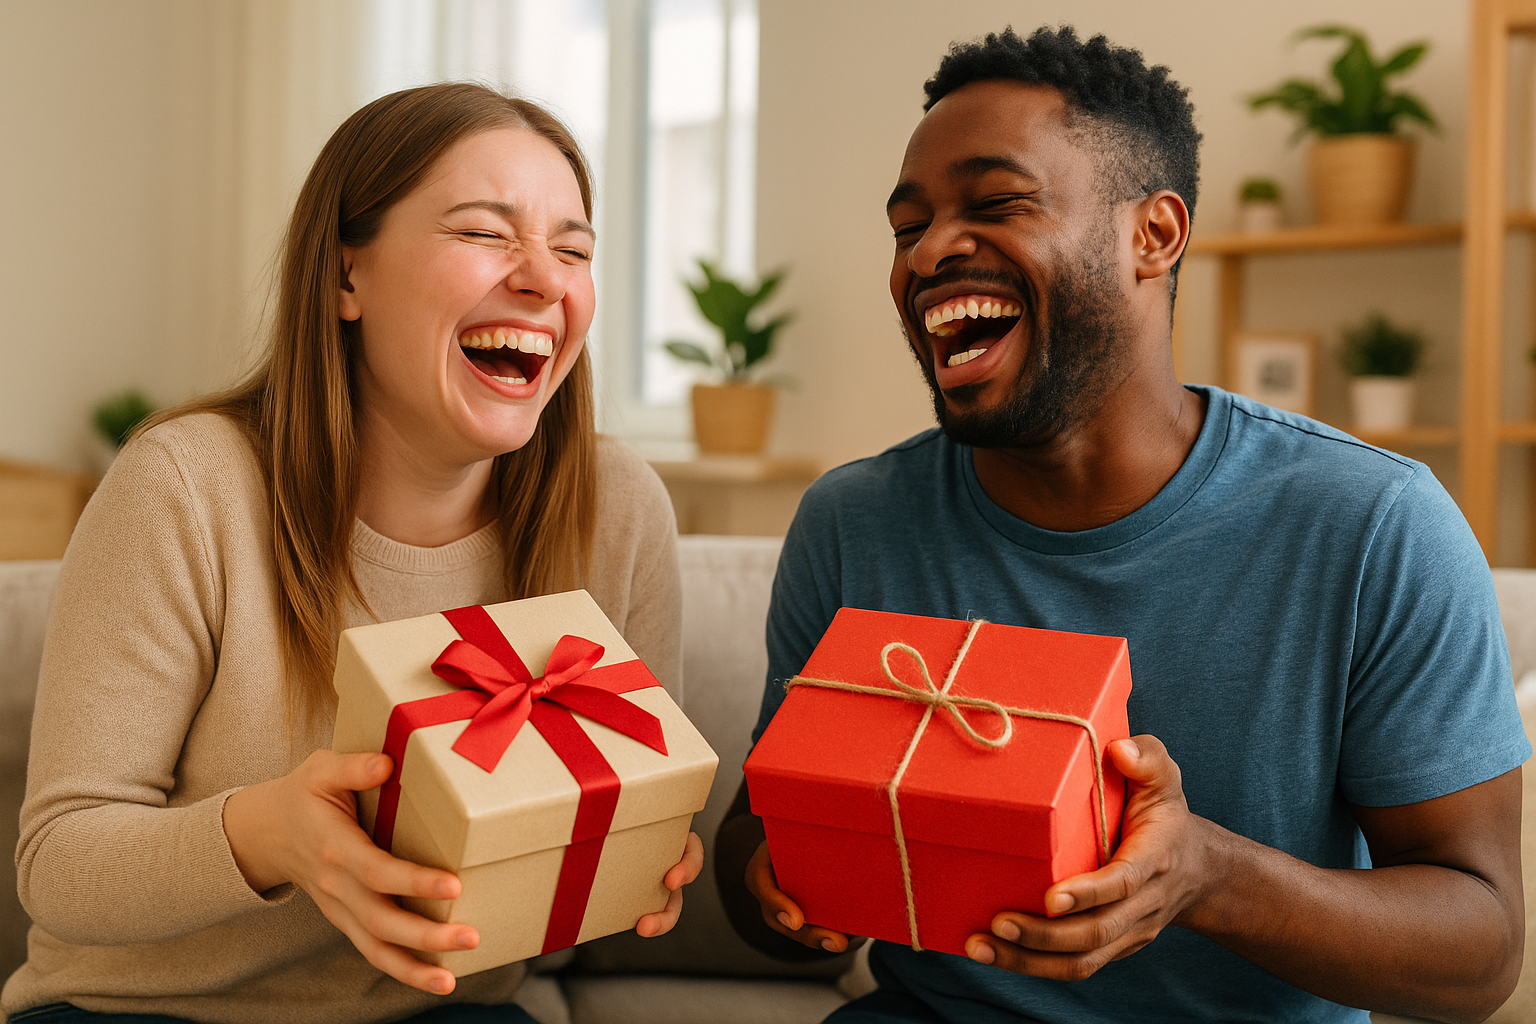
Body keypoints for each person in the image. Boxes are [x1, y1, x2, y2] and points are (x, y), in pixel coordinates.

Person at [716, 26, 1528, 1024]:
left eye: (998, 202)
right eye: (907, 225)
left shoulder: (1373, 525)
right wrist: (782, 884)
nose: (927, 251)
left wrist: (1207, 877)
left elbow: (1480, 952)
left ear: (1155, 234)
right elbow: (757, 846)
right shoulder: (855, 522)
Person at [4, 83, 700, 1024]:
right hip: (142, 1011)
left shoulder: (616, 511)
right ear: (345, 279)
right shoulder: (187, 484)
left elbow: (583, 879)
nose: (544, 277)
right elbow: (61, 865)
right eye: (486, 233)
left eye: (572, 248)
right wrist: (271, 837)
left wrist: (624, 852)